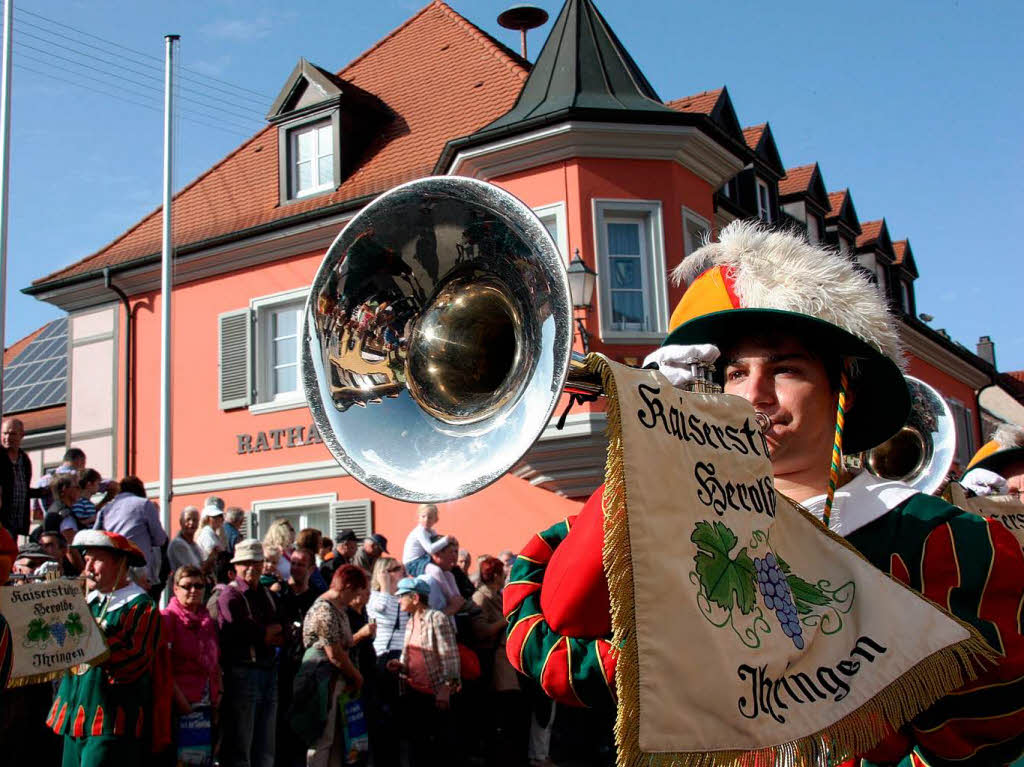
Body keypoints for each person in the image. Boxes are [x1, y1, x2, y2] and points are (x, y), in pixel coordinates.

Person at [505, 221, 1024, 767]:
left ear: (839, 385)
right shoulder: (676, 517)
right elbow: (564, 622)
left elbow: (984, 738)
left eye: (786, 369)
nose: (755, 394)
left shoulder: (943, 538)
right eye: (734, 372)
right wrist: (647, 440)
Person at [48, 530, 164, 766]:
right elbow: (58, 651)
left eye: (96, 559)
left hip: (110, 722)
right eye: (86, 558)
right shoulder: (86, 601)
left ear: (120, 563)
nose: (88, 567)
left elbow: (132, 664)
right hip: (73, 719)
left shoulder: (141, 606)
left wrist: (89, 629)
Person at [217, 538, 285, 767]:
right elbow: (240, 632)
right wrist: (264, 632)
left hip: (268, 669)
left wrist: (262, 632)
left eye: (256, 562)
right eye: (245, 563)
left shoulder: (267, 594)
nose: (251, 568)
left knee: (266, 746)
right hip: (243, 672)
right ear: (235, 566)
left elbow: (282, 628)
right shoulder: (230, 595)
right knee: (241, 746)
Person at [386, 577, 460, 767]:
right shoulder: (411, 621)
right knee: (416, 745)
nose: (398, 600)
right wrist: (401, 665)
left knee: (433, 748)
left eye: (401, 596)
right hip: (412, 691)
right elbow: (412, 653)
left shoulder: (437, 619)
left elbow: (450, 656)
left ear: (415, 597)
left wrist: (446, 688)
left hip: (433, 694)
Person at [302, 564, 367, 766]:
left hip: (339, 680)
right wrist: (357, 677)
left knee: (339, 739)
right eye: (356, 592)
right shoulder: (324, 609)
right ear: (347, 587)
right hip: (323, 680)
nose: (356, 597)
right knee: (323, 738)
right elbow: (334, 653)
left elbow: (345, 644)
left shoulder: (340, 609)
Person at [162, 564, 221, 764]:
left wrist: (218, 695)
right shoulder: (168, 619)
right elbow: (164, 667)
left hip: (206, 702)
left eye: (199, 586)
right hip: (180, 704)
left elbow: (214, 662)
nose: (194, 591)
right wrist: (181, 702)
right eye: (187, 586)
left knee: (202, 759)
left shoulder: (207, 620)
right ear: (175, 588)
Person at [471, 557, 526, 765]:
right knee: (497, 713)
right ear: (495, 575)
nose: (504, 577)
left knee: (508, 713)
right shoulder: (481, 598)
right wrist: (506, 619)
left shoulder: (497, 595)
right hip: (490, 662)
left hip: (503, 661)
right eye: (502, 573)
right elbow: (481, 631)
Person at [366, 557, 408, 767]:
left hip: (403, 656)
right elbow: (379, 611)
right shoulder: (375, 596)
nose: (402, 572)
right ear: (385, 573)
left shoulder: (403, 598)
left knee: (399, 714)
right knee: (384, 712)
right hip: (384, 655)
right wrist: (384, 588)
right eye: (396, 569)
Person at [93, 475, 168, 590]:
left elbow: (95, 537)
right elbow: (160, 539)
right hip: (137, 568)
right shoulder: (144, 504)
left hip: (112, 565)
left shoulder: (106, 508)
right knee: (136, 604)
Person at [0, 418, 47, 537]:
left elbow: (21, 489)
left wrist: (44, 492)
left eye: (12, 434)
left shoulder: (24, 460)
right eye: (5, 433)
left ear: (22, 435)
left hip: (16, 522)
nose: (8, 437)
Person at [31, 446, 86, 516]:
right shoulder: (77, 477)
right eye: (84, 462)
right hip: (71, 520)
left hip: (49, 521)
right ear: (79, 461)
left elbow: (35, 512)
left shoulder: (42, 480)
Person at [419, 537, 465, 617]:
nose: (455, 557)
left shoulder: (448, 575)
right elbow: (425, 618)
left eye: (456, 552)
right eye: (451, 552)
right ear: (436, 554)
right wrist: (451, 608)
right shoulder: (427, 582)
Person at [402, 504, 449, 576]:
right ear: (418, 518)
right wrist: (446, 540)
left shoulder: (431, 531)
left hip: (423, 559)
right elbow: (430, 549)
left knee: (447, 574)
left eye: (430, 517)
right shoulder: (420, 531)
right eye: (423, 516)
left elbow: (436, 544)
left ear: (436, 519)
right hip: (413, 563)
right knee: (436, 571)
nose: (426, 519)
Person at [168, 505, 204, 574]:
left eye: (195, 520)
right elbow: (193, 571)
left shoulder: (194, 544)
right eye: (188, 519)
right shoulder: (178, 544)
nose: (192, 523)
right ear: (181, 522)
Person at [296, 527, 330, 592]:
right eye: (319, 543)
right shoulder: (303, 560)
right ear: (311, 543)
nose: (321, 546)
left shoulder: (311, 558)